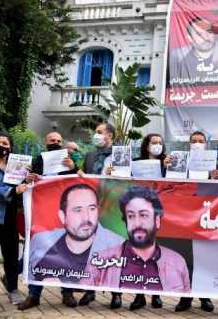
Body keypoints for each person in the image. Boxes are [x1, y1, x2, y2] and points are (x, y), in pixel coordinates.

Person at [81, 185, 191, 293]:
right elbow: (84, 298)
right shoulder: (99, 262)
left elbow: (184, 304)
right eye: (131, 216)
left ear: (157, 221)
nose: (137, 223)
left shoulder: (177, 263)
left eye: (143, 215)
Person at [19, 131, 81, 310]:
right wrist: (28, 179)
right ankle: (33, 295)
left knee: (68, 254)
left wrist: (73, 169)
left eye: (59, 141)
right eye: (52, 140)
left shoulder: (68, 162)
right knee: (37, 253)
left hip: (65, 217)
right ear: (45, 143)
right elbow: (24, 186)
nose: (55, 143)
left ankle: (67, 294)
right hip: (42, 216)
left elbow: (82, 181)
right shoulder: (35, 162)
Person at [77, 122, 123, 309]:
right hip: (91, 209)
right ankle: (90, 291)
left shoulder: (122, 155)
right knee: (90, 250)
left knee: (113, 250)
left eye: (99, 132)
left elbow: (130, 180)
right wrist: (79, 173)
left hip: (112, 209)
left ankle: (116, 293)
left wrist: (118, 173)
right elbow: (84, 177)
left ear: (109, 136)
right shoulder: (89, 156)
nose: (95, 135)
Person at [174, 131, 218, 313]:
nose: (197, 144)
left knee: (204, 259)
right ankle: (185, 298)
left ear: (206, 145)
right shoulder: (181, 163)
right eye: (194, 141)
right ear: (189, 144)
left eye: (201, 141)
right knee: (186, 259)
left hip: (206, 217)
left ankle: (205, 297)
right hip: (185, 218)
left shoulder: (215, 164)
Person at [129, 133, 169, 311]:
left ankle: (156, 294)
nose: (157, 145)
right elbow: (125, 180)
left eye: (160, 142)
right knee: (139, 252)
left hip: (160, 212)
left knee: (157, 253)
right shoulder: (136, 162)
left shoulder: (167, 163)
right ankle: (139, 294)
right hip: (140, 211)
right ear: (147, 145)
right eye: (154, 142)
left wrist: (168, 167)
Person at [0, 132, 27, 305]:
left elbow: (23, 186)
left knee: (11, 255)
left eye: (5, 143)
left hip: (10, 219)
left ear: (10, 147)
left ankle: (13, 290)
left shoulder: (15, 166)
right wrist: (11, 191)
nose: (2, 146)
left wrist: (28, 178)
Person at [169, 16, 218, 82]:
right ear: (190, 38)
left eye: (209, 32)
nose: (206, 37)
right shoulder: (178, 57)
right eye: (199, 34)